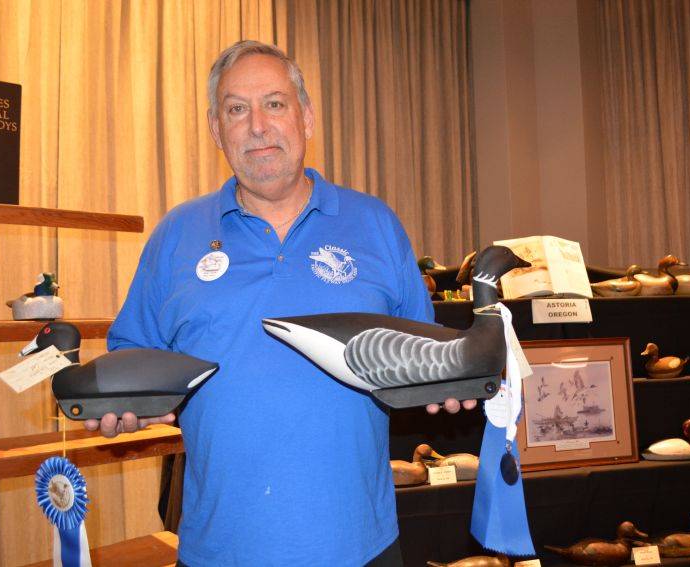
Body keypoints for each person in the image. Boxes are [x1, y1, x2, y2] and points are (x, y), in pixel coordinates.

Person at [86, 40, 473, 566]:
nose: (258, 126)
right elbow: (133, 354)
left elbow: (417, 352)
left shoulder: (376, 224)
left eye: (274, 103)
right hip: (219, 549)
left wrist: (446, 383)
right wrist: (122, 405)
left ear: (306, 118)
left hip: (359, 546)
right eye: (236, 109)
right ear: (215, 129)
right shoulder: (176, 234)